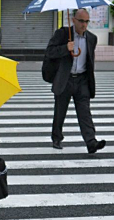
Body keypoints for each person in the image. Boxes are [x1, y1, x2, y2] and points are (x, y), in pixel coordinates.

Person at [45, 8, 106, 154]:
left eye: (86, 21)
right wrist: (65, 48)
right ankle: (57, 137)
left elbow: (89, 60)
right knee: (60, 111)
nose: (84, 25)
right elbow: (50, 52)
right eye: (81, 21)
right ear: (73, 20)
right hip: (65, 79)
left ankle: (91, 142)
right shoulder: (63, 34)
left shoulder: (91, 38)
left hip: (82, 80)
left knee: (85, 112)